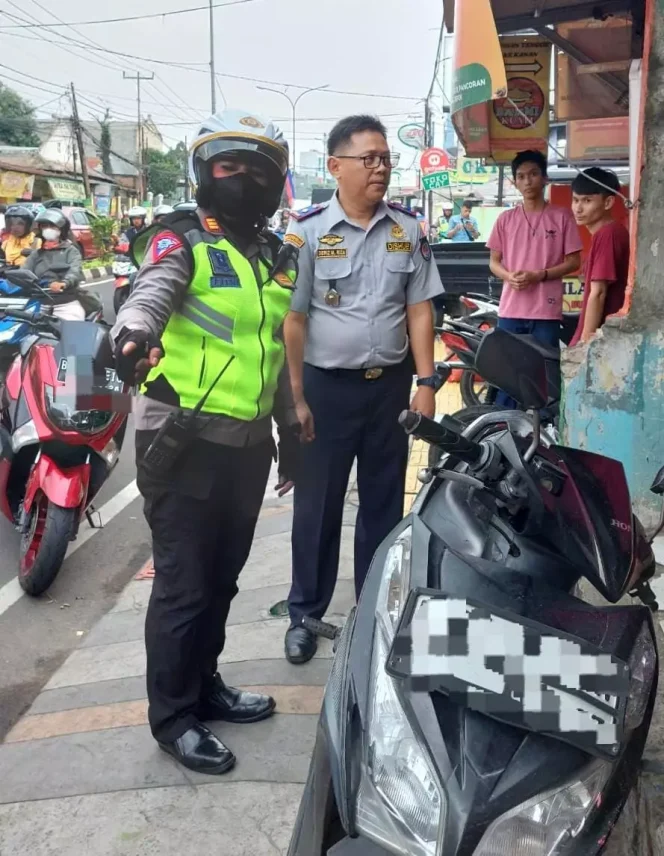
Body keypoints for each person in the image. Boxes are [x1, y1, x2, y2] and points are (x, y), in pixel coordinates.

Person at [110, 108, 300, 775]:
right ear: (203, 174)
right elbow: (149, 295)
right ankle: (174, 718)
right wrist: (131, 335)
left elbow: (272, 350)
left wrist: (291, 430)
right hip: (183, 441)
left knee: (222, 580)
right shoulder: (182, 239)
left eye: (257, 169)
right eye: (228, 167)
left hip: (246, 447)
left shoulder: (278, 257)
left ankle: (207, 686)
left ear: (277, 182)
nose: (242, 179)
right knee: (184, 587)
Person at [282, 114, 444, 664]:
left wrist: (426, 382)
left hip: (388, 390)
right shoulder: (306, 233)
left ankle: (375, 613)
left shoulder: (408, 229)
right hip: (327, 391)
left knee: (381, 506)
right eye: (368, 159)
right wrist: (297, 397)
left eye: (385, 159)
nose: (380, 168)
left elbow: (419, 309)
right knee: (318, 508)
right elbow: (294, 322)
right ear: (335, 166)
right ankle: (304, 613)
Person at [487, 150, 582, 407]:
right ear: (515, 183)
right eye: (521, 176)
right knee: (508, 375)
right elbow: (494, 262)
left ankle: (536, 435)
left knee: (541, 379)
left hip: (546, 311)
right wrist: (509, 277)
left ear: (544, 178)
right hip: (511, 310)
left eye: (533, 174)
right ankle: (502, 430)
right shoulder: (505, 219)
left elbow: (575, 261)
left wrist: (540, 275)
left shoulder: (562, 216)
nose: (527, 181)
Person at [569, 168, 630, 347]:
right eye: (575, 200)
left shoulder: (608, 234)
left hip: (602, 342)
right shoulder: (606, 233)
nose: (578, 208)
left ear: (608, 202)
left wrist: (585, 343)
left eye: (587, 201)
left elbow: (599, 293)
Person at [25, 210, 85, 320]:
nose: (48, 229)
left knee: (71, 331)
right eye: (44, 226)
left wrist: (63, 283)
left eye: (52, 226)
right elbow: (24, 273)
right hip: (38, 304)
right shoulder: (36, 254)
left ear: (61, 229)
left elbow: (74, 271)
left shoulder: (71, 251)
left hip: (65, 304)